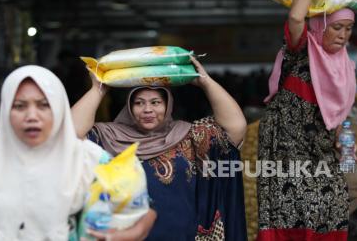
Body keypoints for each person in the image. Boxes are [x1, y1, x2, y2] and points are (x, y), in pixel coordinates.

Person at [0, 65, 156, 241]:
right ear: (6, 111)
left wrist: (129, 233)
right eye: (19, 106)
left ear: (59, 109)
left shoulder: (90, 160)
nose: (32, 116)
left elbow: (144, 211)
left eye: (44, 105)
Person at [72, 57, 248, 240]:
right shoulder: (107, 136)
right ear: (129, 107)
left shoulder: (189, 136)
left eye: (155, 102)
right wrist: (97, 91)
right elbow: (72, 135)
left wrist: (206, 82)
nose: (147, 109)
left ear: (168, 105)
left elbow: (234, 127)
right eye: (139, 103)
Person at [258, 0, 357, 241]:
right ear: (320, 26)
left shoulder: (346, 66)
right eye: (337, 27)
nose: (343, 35)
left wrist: (344, 136)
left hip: (322, 148)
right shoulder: (302, 49)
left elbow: (340, 111)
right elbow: (295, 16)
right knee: (294, 208)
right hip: (287, 145)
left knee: (333, 202)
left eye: (348, 29)